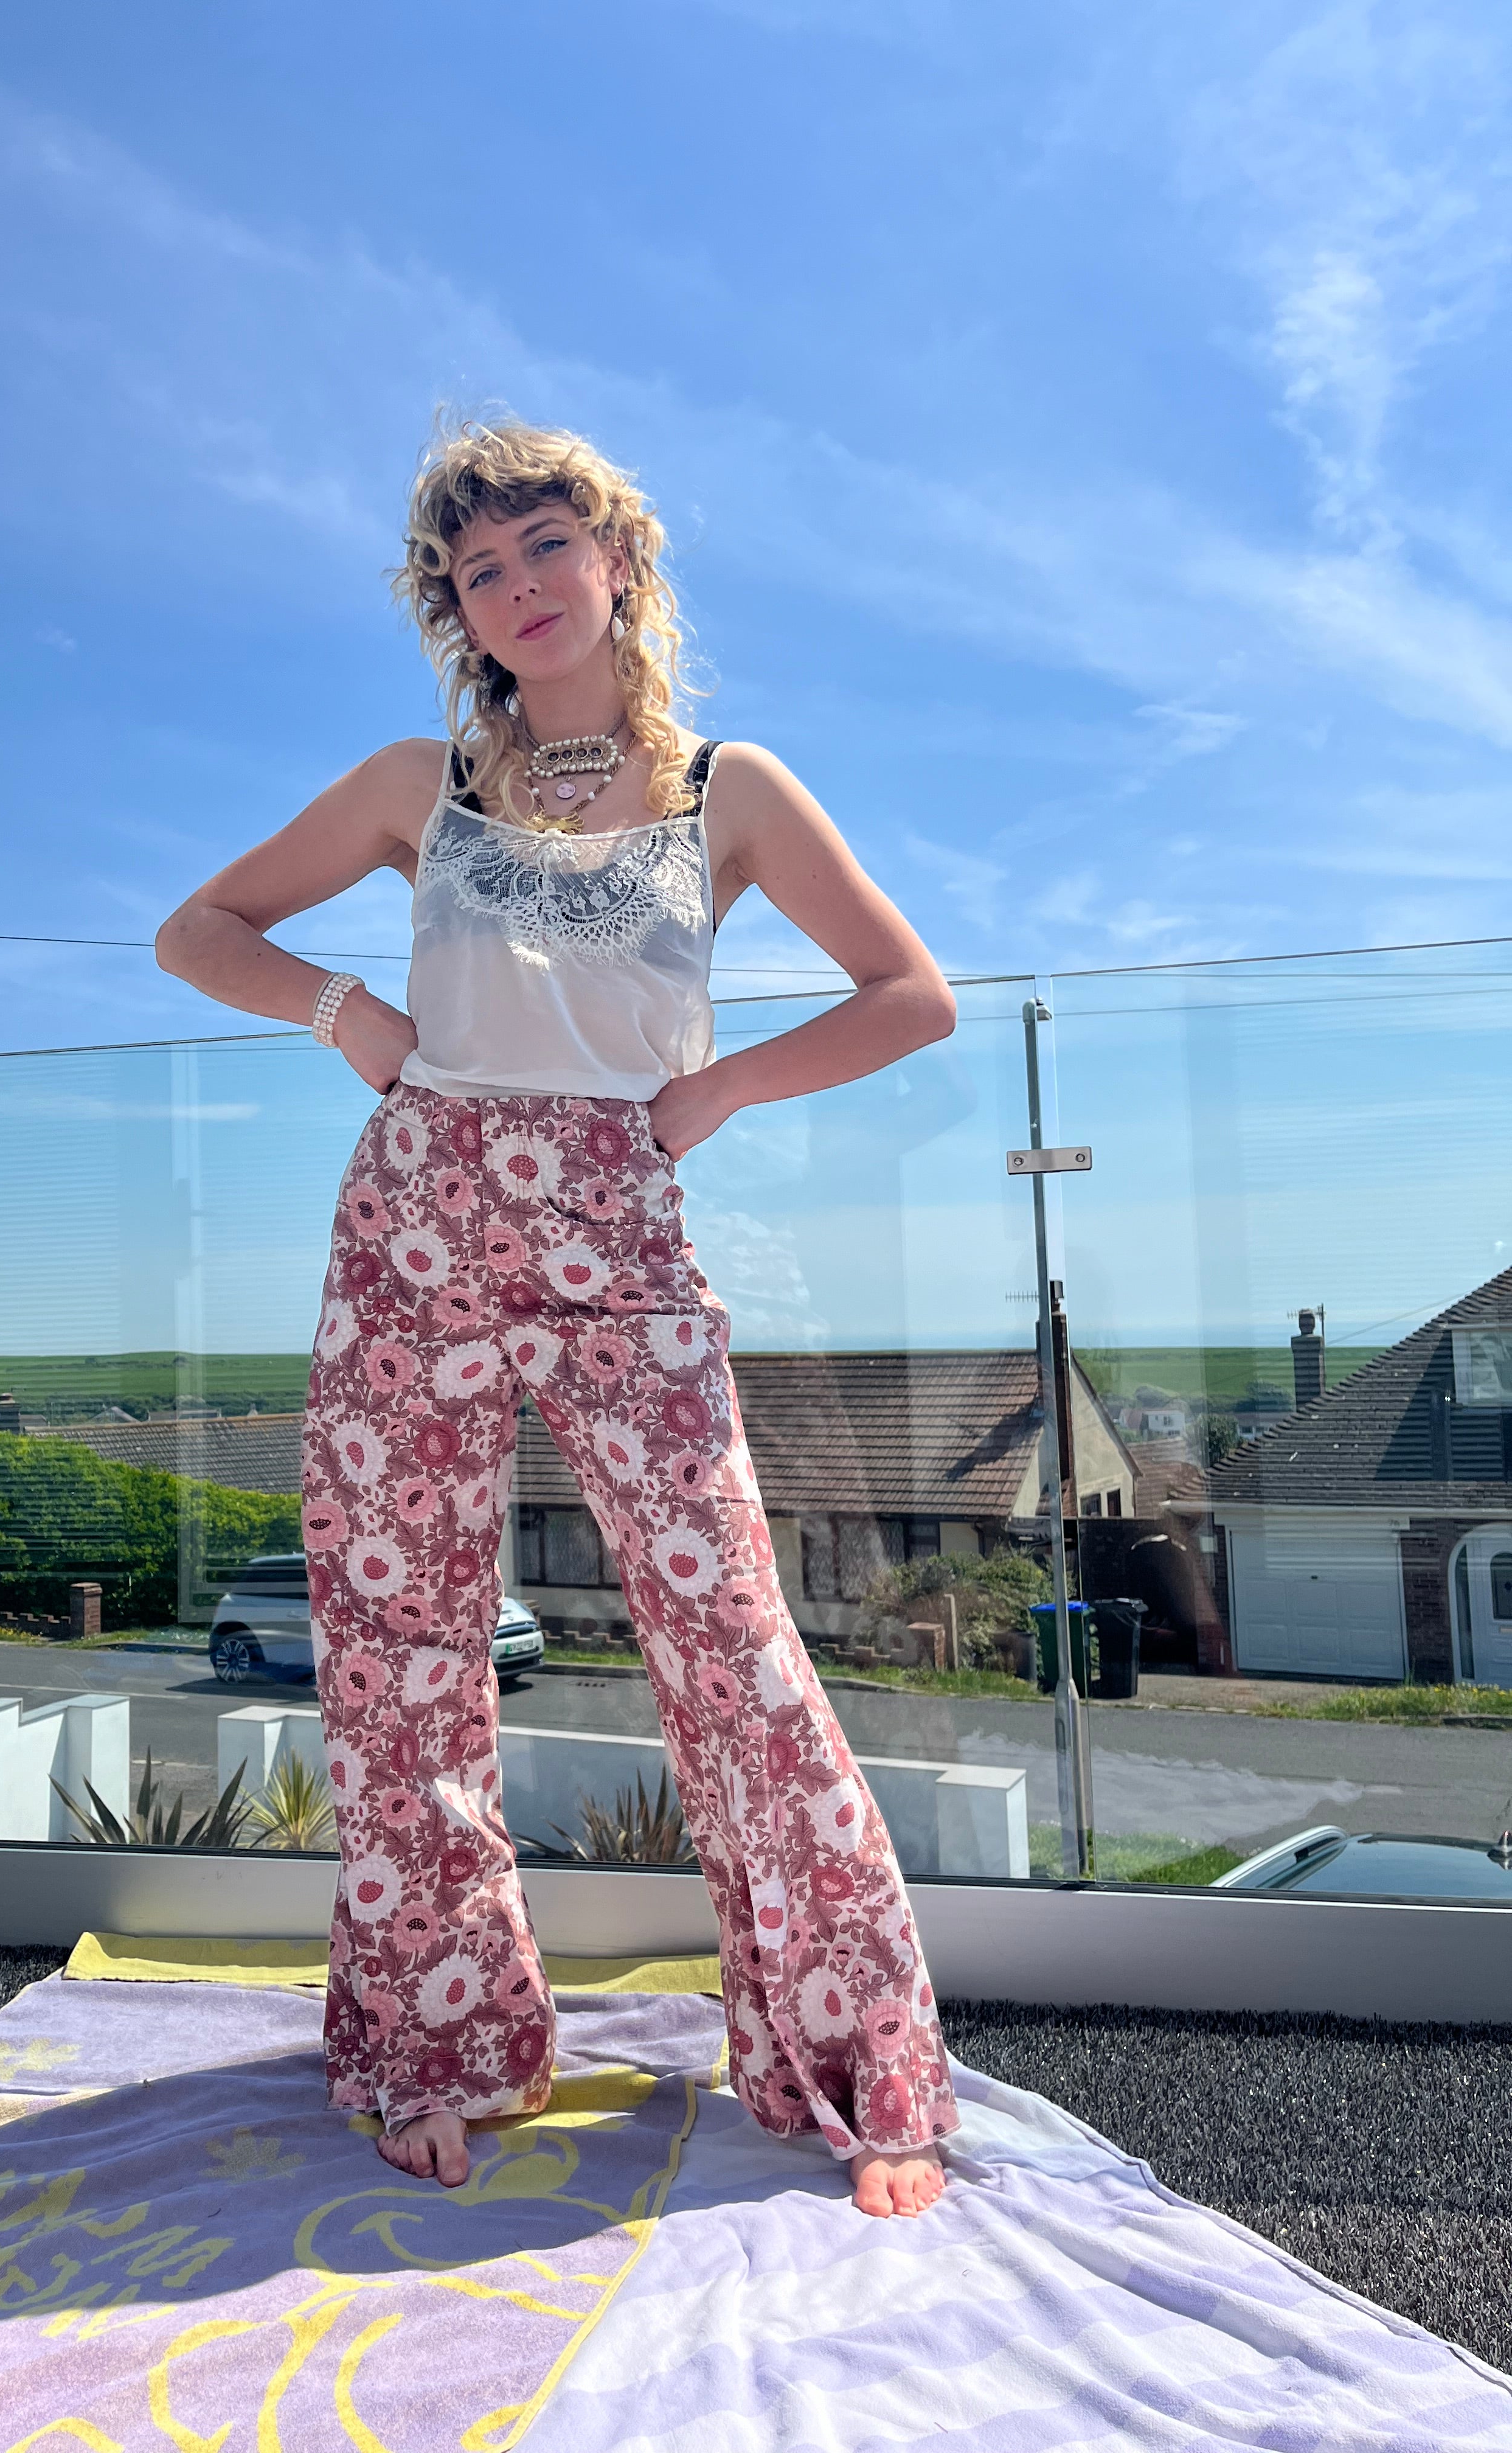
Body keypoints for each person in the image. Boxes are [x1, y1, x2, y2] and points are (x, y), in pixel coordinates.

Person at [156, 419, 961, 2219]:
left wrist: (724, 1090)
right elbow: (196, 933)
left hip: (625, 1226)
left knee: (730, 1639)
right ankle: (438, 2048)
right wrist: (343, 1015)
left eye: (542, 549)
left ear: (615, 555)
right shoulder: (414, 782)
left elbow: (911, 995)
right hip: (414, 1221)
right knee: (398, 1644)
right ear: (454, 608)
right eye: (477, 572)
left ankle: (848, 2053)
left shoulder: (723, 789)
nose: (516, 591)